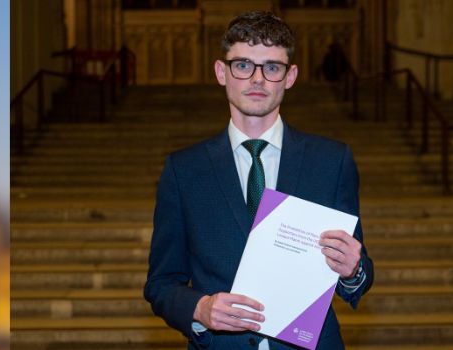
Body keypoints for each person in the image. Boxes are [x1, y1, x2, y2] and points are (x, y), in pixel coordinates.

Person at [143, 11, 373, 350]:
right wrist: (200, 309)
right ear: (222, 72)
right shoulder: (184, 171)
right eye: (243, 65)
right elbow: (161, 283)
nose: (258, 79)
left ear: (290, 76)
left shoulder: (331, 162)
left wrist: (353, 271)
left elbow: (357, 271)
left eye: (272, 67)